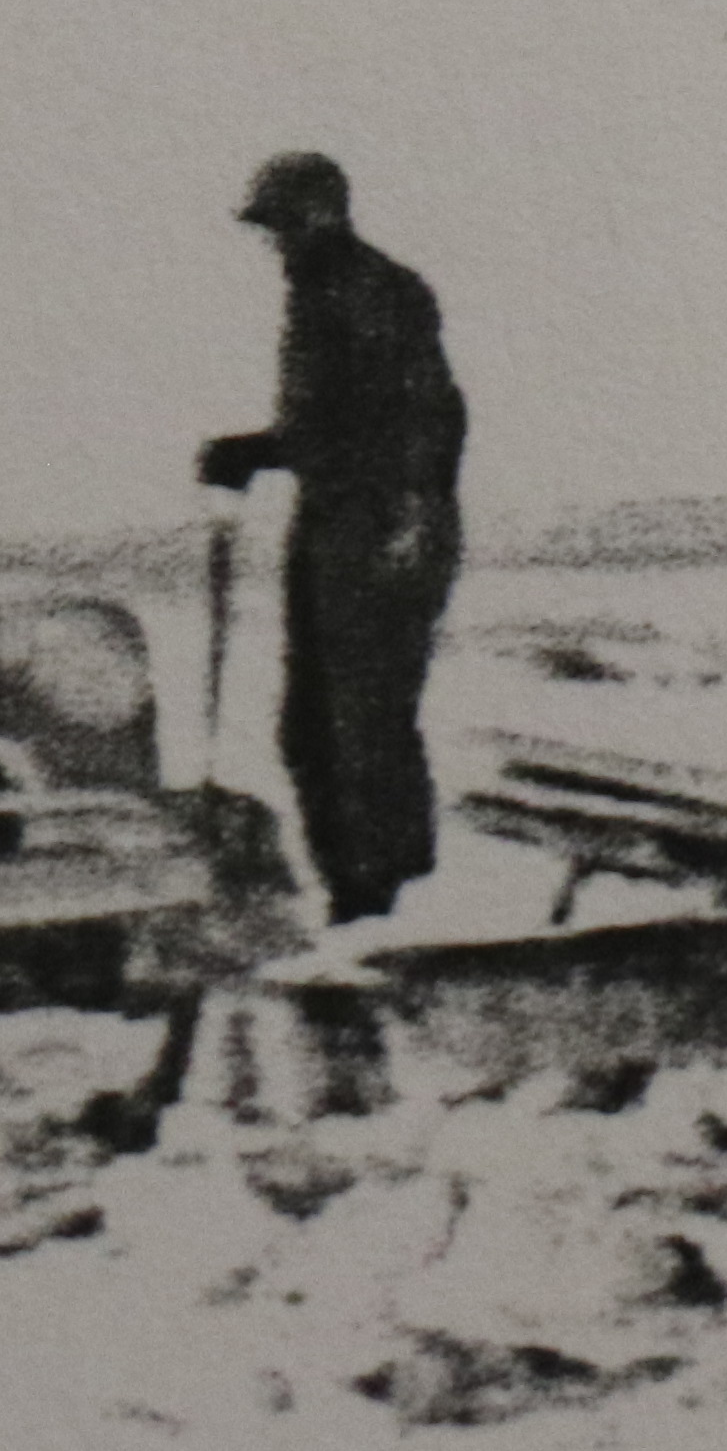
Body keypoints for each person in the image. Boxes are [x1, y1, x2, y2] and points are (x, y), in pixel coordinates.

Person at [199, 150, 466, 923]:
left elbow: (430, 414)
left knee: (365, 723)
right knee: (309, 724)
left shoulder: (380, 291)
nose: (273, 243)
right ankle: (354, 891)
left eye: (280, 225)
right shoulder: (316, 297)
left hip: (385, 531)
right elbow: (329, 429)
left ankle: (387, 894)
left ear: (321, 214)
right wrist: (256, 450)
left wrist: (414, 517)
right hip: (331, 526)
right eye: (267, 229)